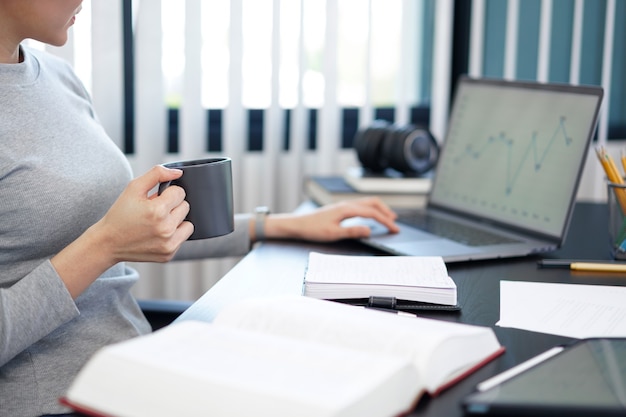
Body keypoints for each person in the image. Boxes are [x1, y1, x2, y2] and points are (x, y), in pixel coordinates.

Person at [0, 1, 399, 416]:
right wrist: (105, 246)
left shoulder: (60, 78)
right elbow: (110, 240)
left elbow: (138, 232)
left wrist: (279, 225)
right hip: (58, 400)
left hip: (135, 367)